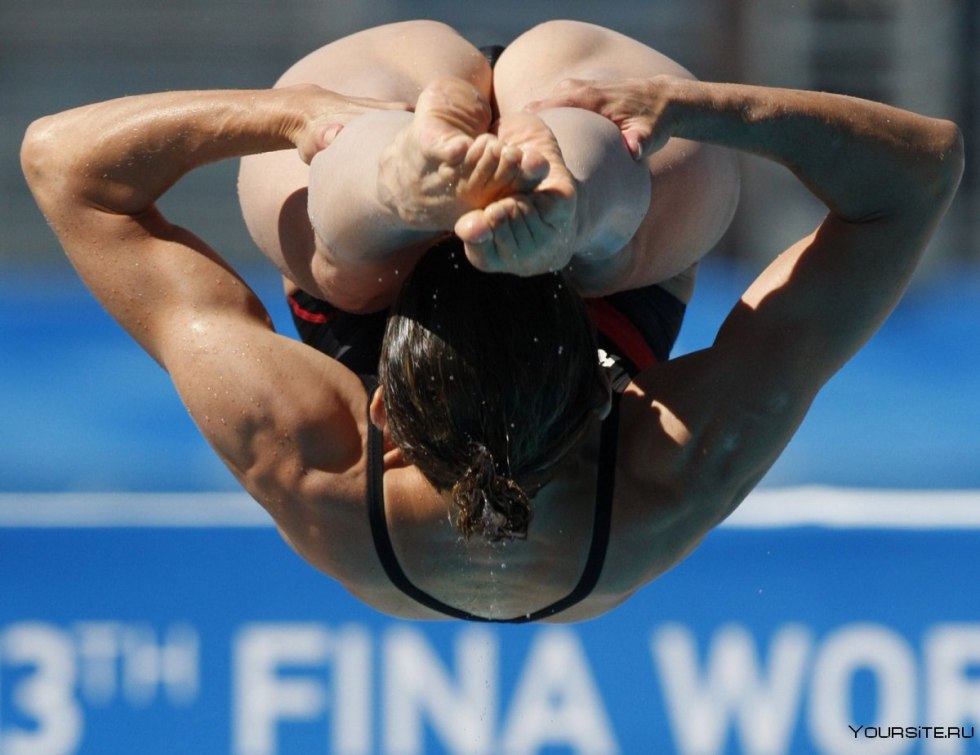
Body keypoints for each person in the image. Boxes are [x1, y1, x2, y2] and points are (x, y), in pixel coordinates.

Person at [21, 20, 962, 623]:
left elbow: (64, 163)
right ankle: (499, 194)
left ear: (381, 421)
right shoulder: (317, 466)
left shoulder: (662, 481)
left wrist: (303, 116)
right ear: (604, 398)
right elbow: (67, 172)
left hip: (503, 179)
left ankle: (441, 189)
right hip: (532, 161)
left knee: (360, 250)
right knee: (370, 256)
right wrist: (699, 108)